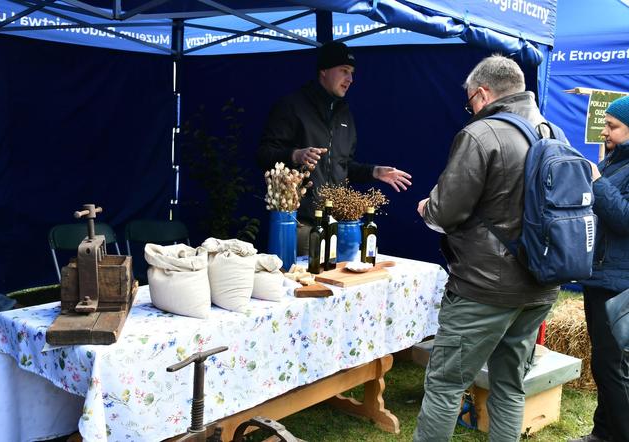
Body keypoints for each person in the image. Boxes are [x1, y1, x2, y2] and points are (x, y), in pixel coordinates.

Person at [414, 54, 559, 441]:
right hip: (541, 284)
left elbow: (446, 211)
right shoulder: (552, 132)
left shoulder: (481, 134)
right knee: (510, 386)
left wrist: (428, 206)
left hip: (484, 287)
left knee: (445, 385)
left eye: (469, 102)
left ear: (482, 93)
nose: (471, 110)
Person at [256, 41, 412, 255]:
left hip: (338, 224)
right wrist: (295, 154)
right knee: (308, 286)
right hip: (301, 224)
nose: (350, 79)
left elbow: (343, 166)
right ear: (324, 71)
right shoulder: (292, 106)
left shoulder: (344, 114)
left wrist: (374, 172)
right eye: (344, 71)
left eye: (352, 73)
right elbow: (263, 154)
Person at [570, 95, 629, 442]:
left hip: (619, 282)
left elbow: (624, 219)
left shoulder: (608, 169)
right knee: (604, 365)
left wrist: (595, 180)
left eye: (612, 126)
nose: (604, 131)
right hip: (600, 275)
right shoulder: (614, 161)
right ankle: (602, 433)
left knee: (613, 368)